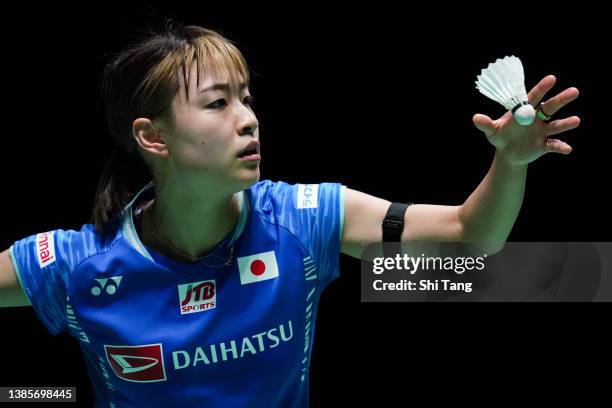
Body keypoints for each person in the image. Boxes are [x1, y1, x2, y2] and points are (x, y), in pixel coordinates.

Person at [0, 24, 580, 407]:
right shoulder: (77, 264)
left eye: (247, 98)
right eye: (218, 102)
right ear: (154, 138)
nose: (249, 118)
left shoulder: (302, 220)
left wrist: (511, 163)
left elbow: (466, 241)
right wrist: (35, 396)